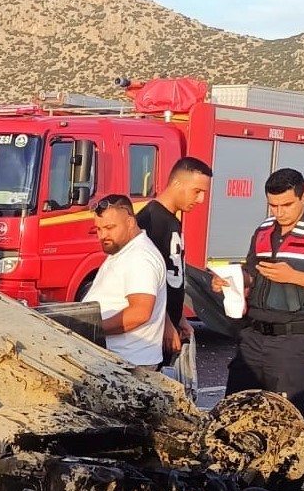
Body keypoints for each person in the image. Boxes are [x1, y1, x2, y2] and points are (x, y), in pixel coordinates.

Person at [224, 168, 304, 416]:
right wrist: (232, 280)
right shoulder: (264, 230)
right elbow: (253, 271)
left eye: (286, 204)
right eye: (273, 206)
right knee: (233, 413)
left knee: (285, 421)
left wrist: (293, 276)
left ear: (303, 197)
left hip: (295, 341)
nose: (279, 212)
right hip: (253, 337)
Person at [136, 157, 213, 359]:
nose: (201, 200)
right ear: (177, 183)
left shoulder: (171, 220)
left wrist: (179, 318)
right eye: (197, 191)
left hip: (167, 322)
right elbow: (149, 281)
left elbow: (173, 273)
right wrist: (166, 324)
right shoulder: (151, 220)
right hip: (154, 330)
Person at [83, 194, 167, 368]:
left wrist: (90, 330)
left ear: (130, 222)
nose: (102, 235)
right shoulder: (124, 250)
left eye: (110, 227)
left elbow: (140, 312)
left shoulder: (140, 257)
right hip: (119, 360)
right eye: (98, 229)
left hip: (129, 364)